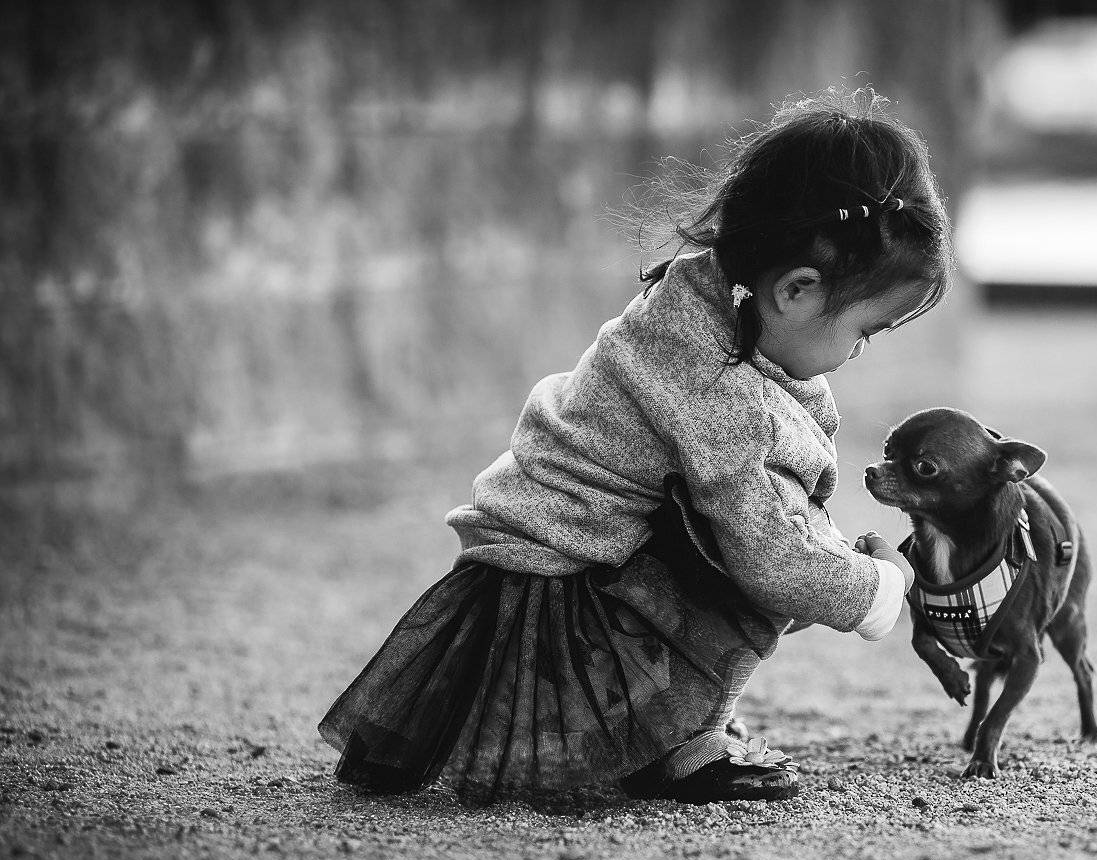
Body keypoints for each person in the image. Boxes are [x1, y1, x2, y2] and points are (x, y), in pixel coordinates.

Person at [319, 87, 952, 805]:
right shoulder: (722, 395)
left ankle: (662, 725)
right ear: (797, 291)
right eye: (865, 331)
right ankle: (674, 744)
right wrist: (878, 587)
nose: (859, 351)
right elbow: (773, 560)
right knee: (743, 563)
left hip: (538, 582)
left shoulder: (697, 296)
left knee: (738, 535)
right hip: (571, 610)